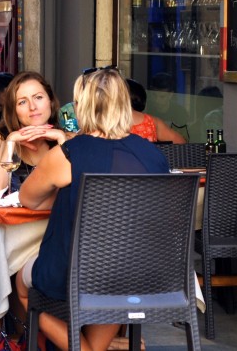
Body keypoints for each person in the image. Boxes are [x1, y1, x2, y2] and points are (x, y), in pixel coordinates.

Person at [15, 67, 169, 351]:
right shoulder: (154, 156)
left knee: (21, 287)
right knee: (118, 277)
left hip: (77, 273)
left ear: (81, 105)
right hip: (142, 273)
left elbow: (28, 199)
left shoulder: (70, 154)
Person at [0, 71, 69, 194]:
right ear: (14, 110)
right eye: (22, 102)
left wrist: (61, 140)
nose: (32, 107)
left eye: (38, 97)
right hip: (14, 214)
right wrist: (11, 142)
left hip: (58, 214)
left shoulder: (68, 139)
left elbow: (76, 189)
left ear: (50, 101)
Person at [127, 78, 186, 143]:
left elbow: (180, 141)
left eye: (162, 97)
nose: (157, 100)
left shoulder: (180, 112)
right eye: (154, 95)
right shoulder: (151, 119)